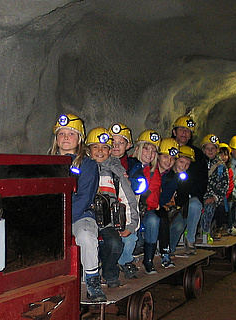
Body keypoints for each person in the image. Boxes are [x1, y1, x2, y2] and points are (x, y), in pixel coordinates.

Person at [48, 113, 105, 302]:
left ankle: (92, 281)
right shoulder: (45, 161)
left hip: (79, 215)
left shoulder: (87, 165)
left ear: (79, 138)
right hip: (53, 215)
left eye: (71, 134)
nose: (65, 137)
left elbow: (84, 197)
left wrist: (62, 220)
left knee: (86, 236)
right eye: (61, 133)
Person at [86, 127, 138, 287]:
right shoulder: (81, 169)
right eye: (95, 147)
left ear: (110, 151)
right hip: (85, 217)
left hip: (107, 220)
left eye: (105, 148)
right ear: (88, 150)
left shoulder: (116, 172)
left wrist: (131, 224)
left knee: (115, 243)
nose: (100, 151)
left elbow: (127, 199)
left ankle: (109, 272)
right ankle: (87, 274)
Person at [170, 116, 207, 255]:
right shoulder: (166, 147)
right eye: (181, 129)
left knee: (196, 204)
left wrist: (194, 194)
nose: (184, 133)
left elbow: (202, 179)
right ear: (174, 132)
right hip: (169, 194)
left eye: (188, 131)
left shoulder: (197, 154)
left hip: (188, 194)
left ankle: (190, 239)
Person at [127, 130, 162, 274]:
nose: (149, 153)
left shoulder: (153, 171)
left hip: (144, 209)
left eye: (153, 151)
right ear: (138, 149)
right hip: (127, 208)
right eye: (146, 148)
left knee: (153, 220)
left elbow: (152, 198)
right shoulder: (127, 164)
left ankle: (148, 259)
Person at [156, 138, 183, 268]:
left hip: (157, 205)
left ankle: (165, 252)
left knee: (163, 218)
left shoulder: (172, 178)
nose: (169, 161)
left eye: (172, 158)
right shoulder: (148, 170)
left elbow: (164, 198)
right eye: (165, 156)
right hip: (143, 204)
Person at [200, 134, 232, 244]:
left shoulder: (221, 166)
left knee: (211, 207)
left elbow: (224, 185)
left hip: (214, 196)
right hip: (200, 195)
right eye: (207, 148)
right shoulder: (198, 164)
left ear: (217, 149)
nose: (210, 151)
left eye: (212, 148)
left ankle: (205, 232)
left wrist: (215, 197)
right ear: (203, 150)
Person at [169, 146, 194, 255]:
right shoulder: (166, 173)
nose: (183, 166)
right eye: (181, 162)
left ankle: (170, 249)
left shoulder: (185, 178)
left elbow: (183, 198)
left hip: (173, 208)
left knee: (180, 224)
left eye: (187, 164)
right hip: (159, 205)